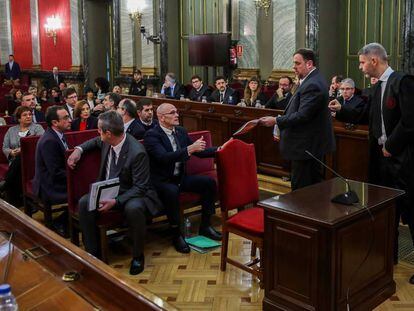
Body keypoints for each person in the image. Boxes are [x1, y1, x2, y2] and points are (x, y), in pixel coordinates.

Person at [328, 43, 414, 280]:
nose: (360, 67)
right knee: (386, 210)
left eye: (362, 62)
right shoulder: (375, 89)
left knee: (410, 212)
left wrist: (390, 146)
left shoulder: (402, 82)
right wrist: (340, 111)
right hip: (380, 162)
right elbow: (366, 115)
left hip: (402, 162)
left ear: (374, 60)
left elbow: (410, 121)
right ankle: (389, 256)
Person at [67, 111, 162, 275]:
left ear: (108, 133)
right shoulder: (107, 140)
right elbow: (95, 141)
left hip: (132, 192)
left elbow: (140, 187)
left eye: (99, 130)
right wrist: (79, 149)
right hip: (108, 188)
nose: (98, 133)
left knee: (134, 208)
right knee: (84, 203)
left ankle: (138, 256)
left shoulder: (137, 152)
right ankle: (93, 254)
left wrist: (116, 202)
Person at [144, 103, 221, 254]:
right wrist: (189, 149)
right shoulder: (152, 135)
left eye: (176, 112)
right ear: (161, 117)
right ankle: (176, 234)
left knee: (208, 183)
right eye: (172, 113)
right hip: (162, 181)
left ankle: (205, 225)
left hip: (180, 178)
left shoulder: (180, 131)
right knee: (172, 191)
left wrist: (219, 150)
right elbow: (163, 158)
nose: (177, 115)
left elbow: (198, 152)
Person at [260, 48, 335, 190]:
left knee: (302, 190)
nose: (293, 67)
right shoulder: (311, 80)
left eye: (297, 63)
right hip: (308, 146)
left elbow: (303, 115)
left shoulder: (313, 84)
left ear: (309, 64)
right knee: (310, 189)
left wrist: (276, 120)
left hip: (306, 146)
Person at [2, 106, 44, 205]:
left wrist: (22, 150)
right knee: (18, 162)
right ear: (19, 118)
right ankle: (19, 201)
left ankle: (5, 184)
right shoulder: (11, 130)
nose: (28, 116)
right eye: (25, 115)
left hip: (32, 161)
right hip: (14, 161)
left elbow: (39, 144)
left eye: (30, 114)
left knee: (21, 156)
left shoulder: (38, 128)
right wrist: (11, 152)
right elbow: (5, 147)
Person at [33, 105, 71, 209]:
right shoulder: (49, 141)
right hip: (49, 186)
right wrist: (77, 176)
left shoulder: (58, 134)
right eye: (66, 118)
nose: (70, 120)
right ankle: (62, 221)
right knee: (85, 191)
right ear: (55, 123)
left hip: (55, 181)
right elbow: (56, 172)